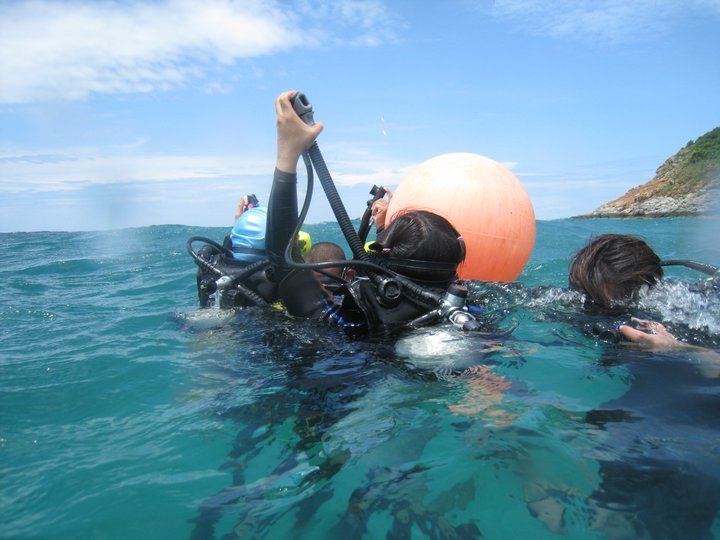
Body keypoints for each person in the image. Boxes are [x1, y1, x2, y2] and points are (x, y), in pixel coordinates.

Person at [266, 90, 465, 329]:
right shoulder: (463, 316)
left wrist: (287, 152)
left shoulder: (346, 327)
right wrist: (385, 230)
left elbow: (283, 258)